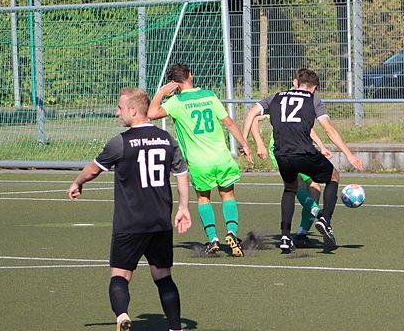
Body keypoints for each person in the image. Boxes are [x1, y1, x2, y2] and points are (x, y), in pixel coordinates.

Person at [67, 87, 192, 331]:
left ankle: (122, 316)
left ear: (133, 110)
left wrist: (77, 182)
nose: (117, 112)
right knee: (163, 277)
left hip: (130, 224)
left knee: (120, 276)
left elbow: (93, 170)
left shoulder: (120, 143)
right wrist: (183, 207)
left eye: (120, 108)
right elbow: (182, 173)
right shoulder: (167, 139)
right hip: (160, 222)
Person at [250, 68, 364, 252]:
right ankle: (322, 216)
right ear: (314, 87)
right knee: (321, 179)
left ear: (298, 83)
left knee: (306, 188)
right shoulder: (305, 99)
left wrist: (321, 146)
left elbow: (305, 127)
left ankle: (295, 235)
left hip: (286, 152)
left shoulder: (280, 97)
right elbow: (327, 128)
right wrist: (259, 144)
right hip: (292, 150)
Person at [149, 63, 254, 257]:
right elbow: (229, 123)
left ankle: (213, 239)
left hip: (199, 162)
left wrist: (161, 93)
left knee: (203, 198)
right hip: (221, 157)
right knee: (228, 195)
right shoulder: (208, 95)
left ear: (174, 83)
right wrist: (245, 145)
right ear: (190, 75)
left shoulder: (176, 102)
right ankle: (231, 232)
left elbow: (151, 114)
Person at [243, 106, 332, 248]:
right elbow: (254, 118)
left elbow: (308, 128)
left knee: (315, 187)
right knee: (297, 185)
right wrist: (259, 144)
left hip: (301, 149)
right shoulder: (280, 102)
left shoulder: (303, 102)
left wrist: (321, 146)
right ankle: (319, 215)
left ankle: (302, 234)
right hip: (281, 150)